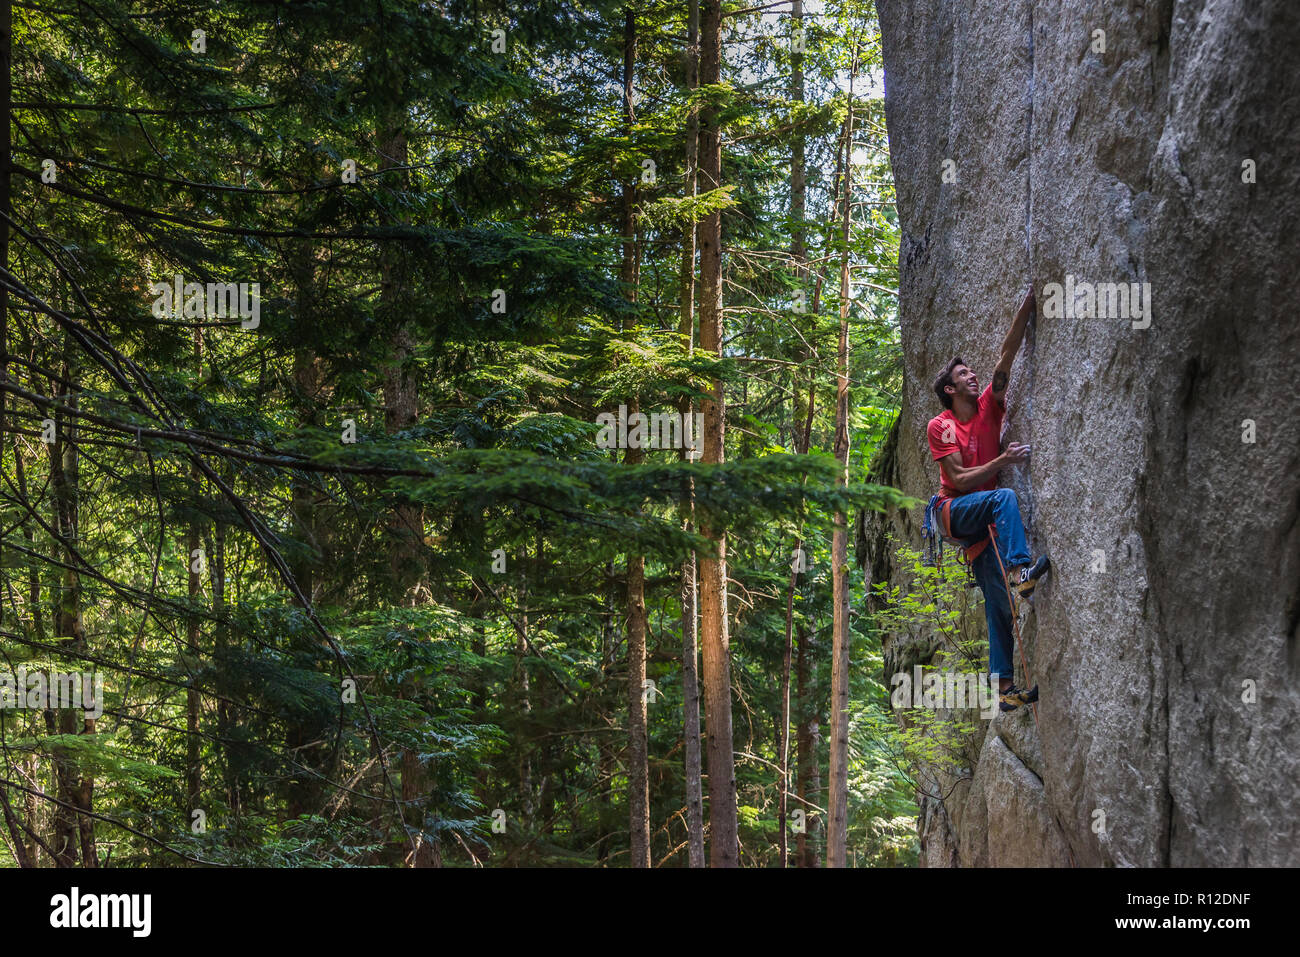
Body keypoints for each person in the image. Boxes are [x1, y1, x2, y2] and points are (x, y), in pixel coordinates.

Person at [926, 287, 1050, 712]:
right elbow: (958, 479)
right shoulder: (940, 425)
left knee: (997, 604)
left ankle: (1004, 690)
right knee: (1003, 498)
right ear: (948, 388)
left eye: (971, 373)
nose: (973, 377)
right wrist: (1002, 458)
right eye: (963, 375)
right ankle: (1021, 571)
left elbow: (1006, 355)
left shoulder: (987, 407)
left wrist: (1028, 304)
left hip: (981, 526)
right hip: (954, 514)